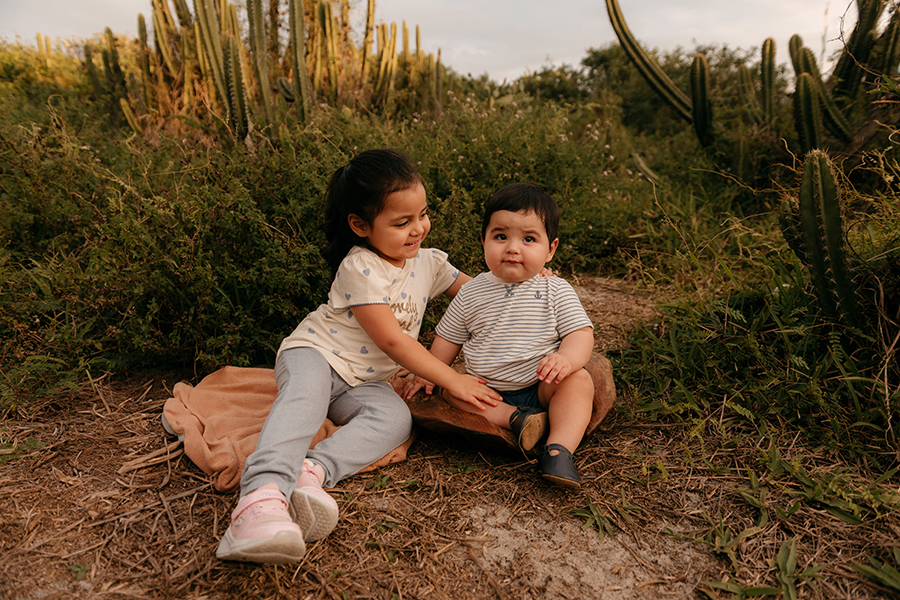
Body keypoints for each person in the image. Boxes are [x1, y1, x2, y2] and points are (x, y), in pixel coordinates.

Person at [216, 149, 502, 564]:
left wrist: (526, 284)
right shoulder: (360, 266)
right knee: (306, 399)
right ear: (360, 225)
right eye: (401, 223)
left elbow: (479, 295)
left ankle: (310, 473)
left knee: (395, 419)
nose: (418, 229)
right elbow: (394, 343)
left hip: (364, 381)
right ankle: (259, 499)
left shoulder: (429, 262)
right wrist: (452, 378)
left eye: (422, 214)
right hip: (314, 354)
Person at [404, 182, 594, 488]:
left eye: (529, 239)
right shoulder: (471, 293)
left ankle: (558, 450)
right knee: (452, 390)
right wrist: (427, 372)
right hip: (487, 389)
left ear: (551, 250)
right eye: (501, 236)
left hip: (540, 384)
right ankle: (518, 420)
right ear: (484, 241)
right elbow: (448, 339)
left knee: (580, 380)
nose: (513, 247)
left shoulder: (555, 289)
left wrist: (566, 359)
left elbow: (580, 333)